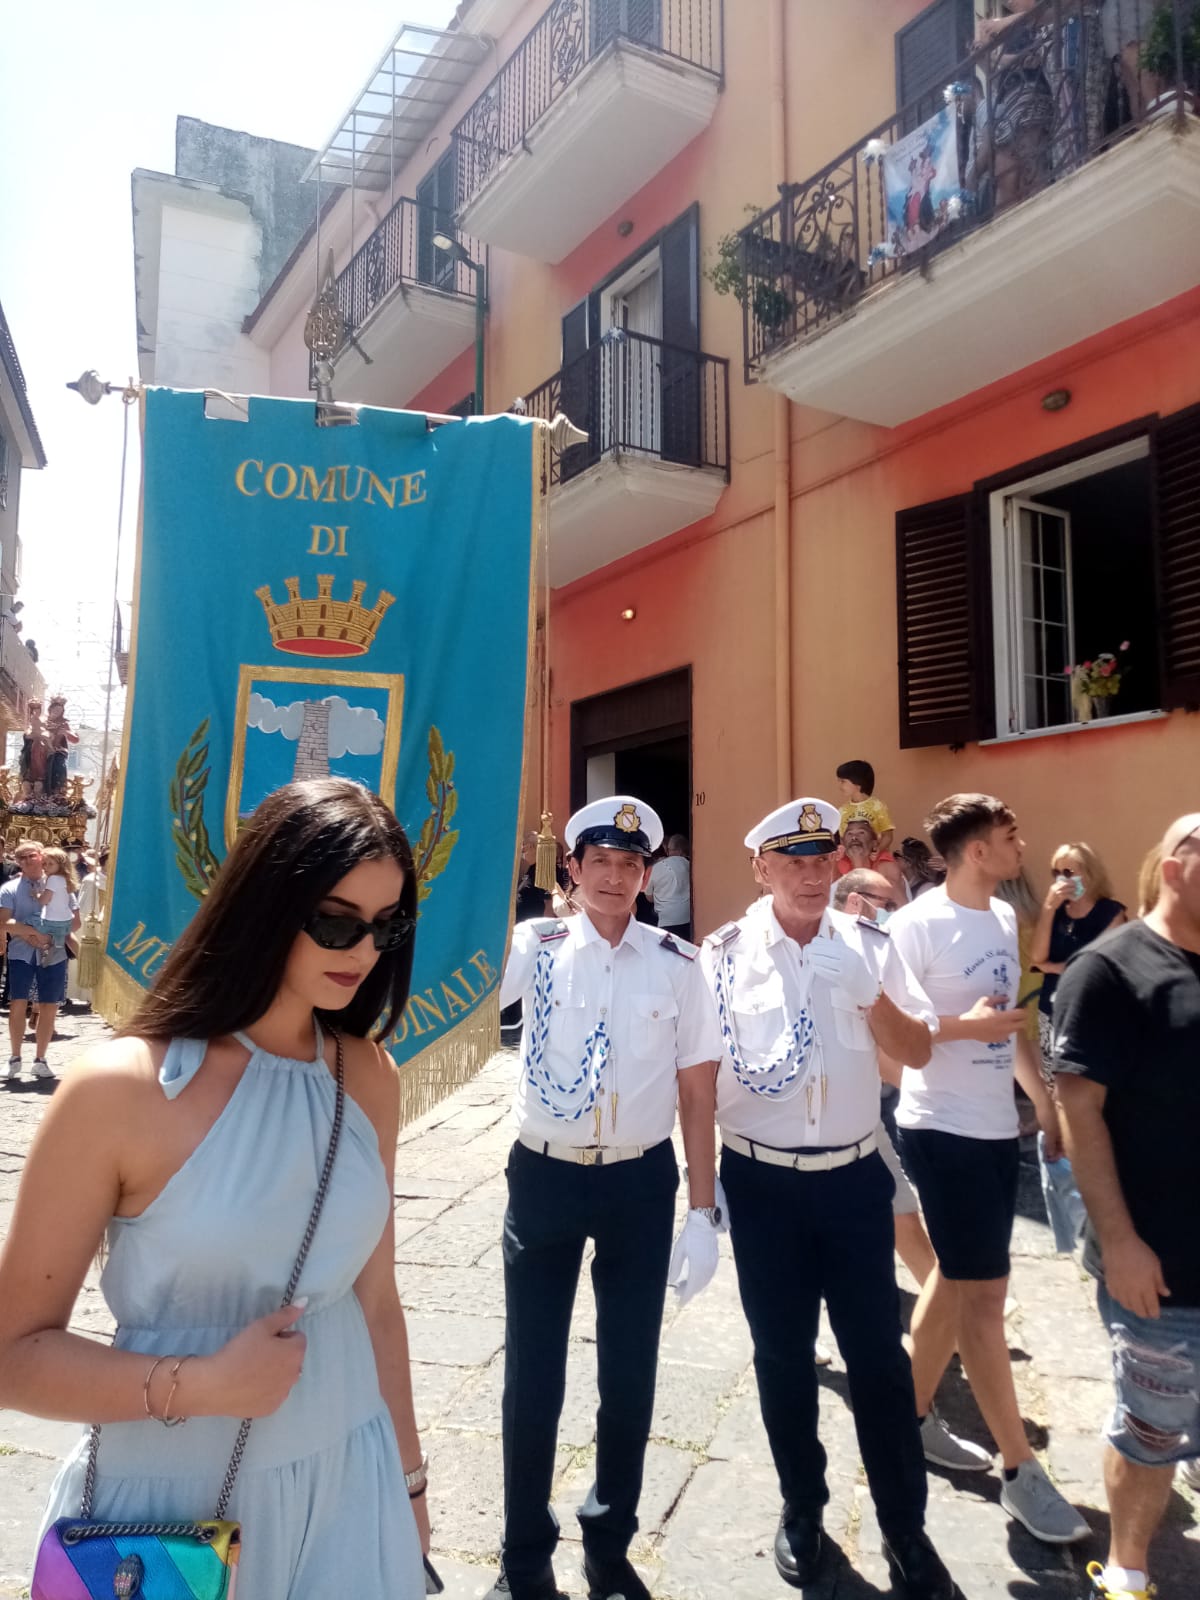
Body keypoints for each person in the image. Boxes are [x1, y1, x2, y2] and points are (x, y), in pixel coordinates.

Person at [0, 777, 429, 1597]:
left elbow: (377, 1302)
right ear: (266, 901)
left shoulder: (369, 1076)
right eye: (335, 921)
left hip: (351, 1484)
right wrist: (201, 1385)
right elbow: (12, 1356)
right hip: (173, 1516)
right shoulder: (120, 1090)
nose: (364, 951)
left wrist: (409, 1485)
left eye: (387, 925)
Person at [701, 798, 954, 1600]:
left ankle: (904, 1526)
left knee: (878, 1360)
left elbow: (917, 1053)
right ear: (761, 869)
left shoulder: (870, 946)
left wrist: (869, 998)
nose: (811, 877)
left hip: (852, 1181)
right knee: (781, 1357)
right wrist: (696, 1202)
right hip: (760, 1180)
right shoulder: (722, 956)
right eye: (792, 862)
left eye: (821, 862)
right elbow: (694, 1078)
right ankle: (802, 1507)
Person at [492, 795, 722, 1600]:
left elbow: (698, 1091)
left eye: (631, 865)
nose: (616, 876)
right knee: (534, 1376)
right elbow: (465, 998)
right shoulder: (535, 946)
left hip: (637, 1180)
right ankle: (523, 1558)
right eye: (601, 863)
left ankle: (608, 1539)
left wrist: (702, 1211)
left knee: (630, 1372)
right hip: (546, 1174)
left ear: (648, 875)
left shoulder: (679, 965)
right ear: (574, 870)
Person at [889, 794, 1088, 1544]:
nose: (1022, 845)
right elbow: (897, 1035)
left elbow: (1011, 1027)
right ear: (977, 851)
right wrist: (964, 1027)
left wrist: (1042, 1103)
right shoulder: (914, 926)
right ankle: (1018, 1468)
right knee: (983, 1297)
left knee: (961, 1282)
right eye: (1010, 837)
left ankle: (902, 1416)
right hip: (939, 1127)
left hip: (995, 1127)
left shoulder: (1004, 919)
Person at [1053, 813, 1200, 1600]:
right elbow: (1079, 1110)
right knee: (1151, 1430)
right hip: (1162, 1260)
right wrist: (1119, 1241)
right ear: (1175, 867)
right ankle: (1131, 1569)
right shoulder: (1111, 969)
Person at [833, 867, 938, 1287]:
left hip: (865, 1109)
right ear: (855, 902)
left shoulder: (878, 951)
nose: (896, 912)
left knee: (895, 1209)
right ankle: (951, 1313)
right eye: (888, 904)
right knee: (898, 1208)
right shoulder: (836, 952)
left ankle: (949, 1310)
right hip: (843, 1113)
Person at [1030, 843, 1125, 1248]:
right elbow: (1036, 958)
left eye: (1072, 871)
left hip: (1095, 1015)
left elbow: (1100, 962)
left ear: (1090, 871)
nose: (1064, 880)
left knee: (1091, 1095)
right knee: (1056, 1092)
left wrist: (1054, 966)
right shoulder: (1055, 913)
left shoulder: (1111, 911)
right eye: (1057, 871)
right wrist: (1049, 910)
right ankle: (1067, 1174)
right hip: (1053, 1013)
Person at [0, 840, 77, 1081]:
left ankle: (41, 1059)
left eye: (30, 855)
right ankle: (14, 1057)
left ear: (41, 855)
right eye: (20, 857)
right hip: (21, 953)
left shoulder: (60, 885)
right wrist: (32, 933)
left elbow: (75, 922)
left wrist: (49, 936)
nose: (25, 861)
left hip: (53, 951)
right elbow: (4, 922)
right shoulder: (10, 889)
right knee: (18, 1003)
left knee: (49, 1006)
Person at [835, 759, 894, 855]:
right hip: (852, 860)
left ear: (857, 783)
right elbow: (842, 838)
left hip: (876, 858)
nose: (840, 786)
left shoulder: (877, 806)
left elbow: (887, 836)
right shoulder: (842, 810)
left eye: (843, 781)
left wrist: (878, 850)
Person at [33, 845, 78, 955]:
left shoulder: (53, 879)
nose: (46, 867)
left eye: (50, 864)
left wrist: (36, 895)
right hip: (65, 920)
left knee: (28, 922)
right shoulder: (63, 879)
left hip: (52, 920)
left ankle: (45, 948)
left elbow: (44, 900)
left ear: (60, 866)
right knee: (58, 943)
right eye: (44, 864)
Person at [645, 833, 692, 939]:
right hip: (688, 918)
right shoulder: (689, 863)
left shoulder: (655, 867)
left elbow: (649, 898)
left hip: (667, 921)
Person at [896, 836, 945, 901]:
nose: (893, 859)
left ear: (908, 862)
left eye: (896, 855)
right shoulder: (905, 886)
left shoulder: (926, 888)